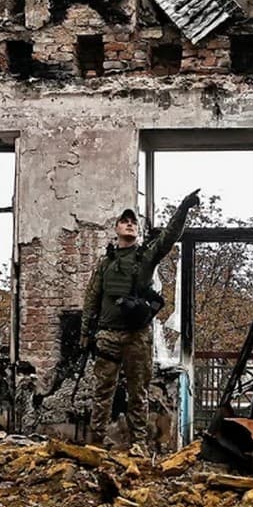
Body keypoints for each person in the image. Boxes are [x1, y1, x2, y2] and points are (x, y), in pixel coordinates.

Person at [82, 190, 199, 450]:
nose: (130, 224)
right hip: (107, 336)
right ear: (116, 228)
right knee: (102, 395)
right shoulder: (105, 264)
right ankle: (96, 447)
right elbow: (92, 298)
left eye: (134, 222)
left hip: (137, 337)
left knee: (138, 396)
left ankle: (138, 448)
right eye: (125, 221)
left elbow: (169, 238)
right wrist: (84, 334)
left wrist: (182, 209)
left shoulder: (145, 257)